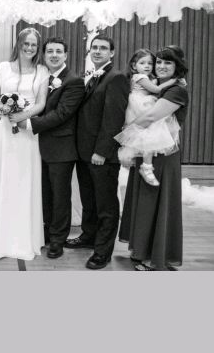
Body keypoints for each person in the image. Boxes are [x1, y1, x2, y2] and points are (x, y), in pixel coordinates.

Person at [0, 28, 49, 260]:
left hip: (27, 132)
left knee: (24, 179)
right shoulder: (2, 68)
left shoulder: (42, 71)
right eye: (26, 43)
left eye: (33, 45)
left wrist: (23, 116)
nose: (29, 48)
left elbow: (41, 103)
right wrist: (1, 108)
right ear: (18, 44)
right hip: (3, 130)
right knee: (1, 176)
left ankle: (24, 238)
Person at [119, 46, 189, 271]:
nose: (161, 66)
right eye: (159, 61)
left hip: (162, 156)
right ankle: (140, 251)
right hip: (147, 149)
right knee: (144, 202)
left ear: (177, 67)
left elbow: (149, 117)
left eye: (168, 62)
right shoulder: (155, 86)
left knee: (155, 204)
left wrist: (124, 136)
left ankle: (155, 256)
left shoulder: (176, 90)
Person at [66, 34, 129, 270]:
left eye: (103, 48)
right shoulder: (92, 76)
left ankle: (103, 251)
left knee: (106, 206)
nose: (98, 51)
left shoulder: (116, 78)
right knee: (89, 201)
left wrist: (102, 151)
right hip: (85, 153)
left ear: (112, 52)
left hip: (102, 155)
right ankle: (89, 236)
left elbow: (114, 118)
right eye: (94, 47)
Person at [24, 37, 85, 259]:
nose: (54, 55)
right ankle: (48, 232)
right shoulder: (41, 77)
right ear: (44, 54)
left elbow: (62, 114)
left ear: (66, 55)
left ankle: (58, 239)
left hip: (61, 148)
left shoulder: (73, 81)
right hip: (37, 147)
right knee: (45, 194)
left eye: (59, 51)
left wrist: (28, 123)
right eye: (50, 51)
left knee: (60, 196)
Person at [114, 48, 181, 186]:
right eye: (142, 63)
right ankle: (146, 167)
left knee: (147, 137)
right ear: (134, 66)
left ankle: (145, 164)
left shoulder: (148, 77)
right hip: (140, 105)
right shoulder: (139, 77)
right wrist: (174, 81)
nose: (147, 66)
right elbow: (156, 89)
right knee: (148, 134)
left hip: (144, 104)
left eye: (150, 63)